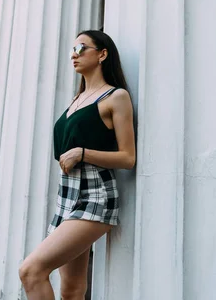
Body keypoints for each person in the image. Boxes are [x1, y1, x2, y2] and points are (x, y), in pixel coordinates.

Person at [19, 30, 136, 300]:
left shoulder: (115, 97)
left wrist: (82, 153)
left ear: (102, 54)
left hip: (95, 196)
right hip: (68, 196)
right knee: (71, 290)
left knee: (31, 270)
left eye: (82, 48)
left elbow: (128, 158)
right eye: (73, 48)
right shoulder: (76, 100)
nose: (74, 53)